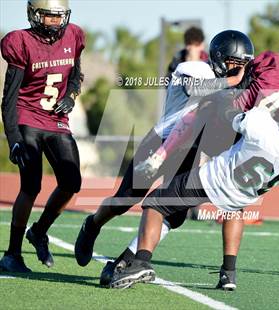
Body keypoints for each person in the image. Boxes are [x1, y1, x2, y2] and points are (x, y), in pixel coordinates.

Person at [102, 31, 279, 290]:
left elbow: (237, 109)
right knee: (230, 209)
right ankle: (228, 274)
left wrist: (231, 93)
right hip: (252, 186)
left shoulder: (269, 80)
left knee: (159, 203)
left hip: (224, 164)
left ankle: (139, 258)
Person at [74, 30, 253, 283]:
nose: (238, 71)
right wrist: (233, 83)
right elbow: (195, 89)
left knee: (174, 213)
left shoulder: (235, 83)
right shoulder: (193, 69)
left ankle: (128, 259)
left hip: (190, 149)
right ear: (219, 58)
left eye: (243, 66)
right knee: (126, 199)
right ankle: (92, 224)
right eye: (234, 64)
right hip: (160, 142)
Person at [0, 0, 85, 272]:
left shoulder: (73, 34)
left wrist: (71, 96)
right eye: (49, 17)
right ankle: (12, 253)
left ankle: (39, 231)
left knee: (72, 183)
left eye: (59, 17)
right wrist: (13, 138)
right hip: (28, 118)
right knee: (31, 186)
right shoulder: (21, 42)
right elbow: (9, 100)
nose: (55, 23)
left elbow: (75, 74)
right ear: (35, 15)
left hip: (56, 119)